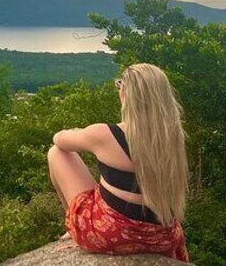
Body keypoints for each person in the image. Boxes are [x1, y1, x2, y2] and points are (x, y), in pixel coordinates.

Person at [47, 63, 189, 261]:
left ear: (126, 95)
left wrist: (80, 133)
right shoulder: (173, 137)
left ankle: (73, 227)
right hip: (160, 237)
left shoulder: (105, 134)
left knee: (56, 154)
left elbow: (59, 140)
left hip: (112, 235)